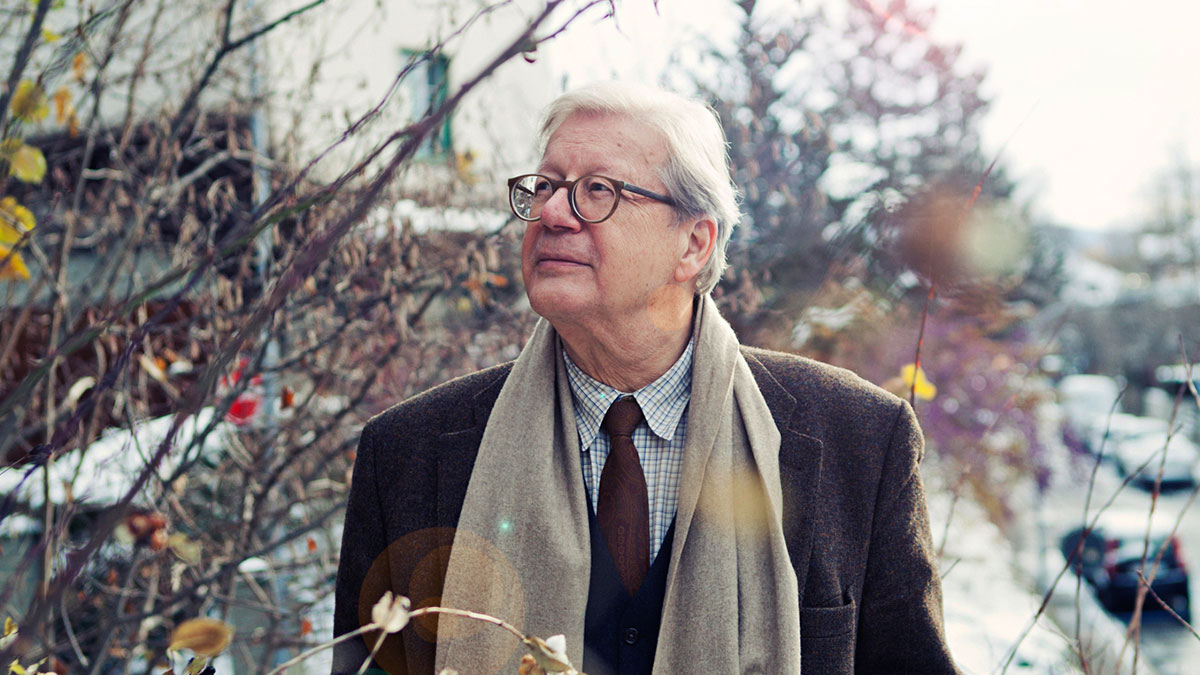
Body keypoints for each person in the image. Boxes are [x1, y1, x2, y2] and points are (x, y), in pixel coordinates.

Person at [333, 81, 957, 675]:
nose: (551, 213)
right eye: (544, 186)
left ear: (693, 244)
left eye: (598, 190)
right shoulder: (408, 453)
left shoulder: (859, 439)